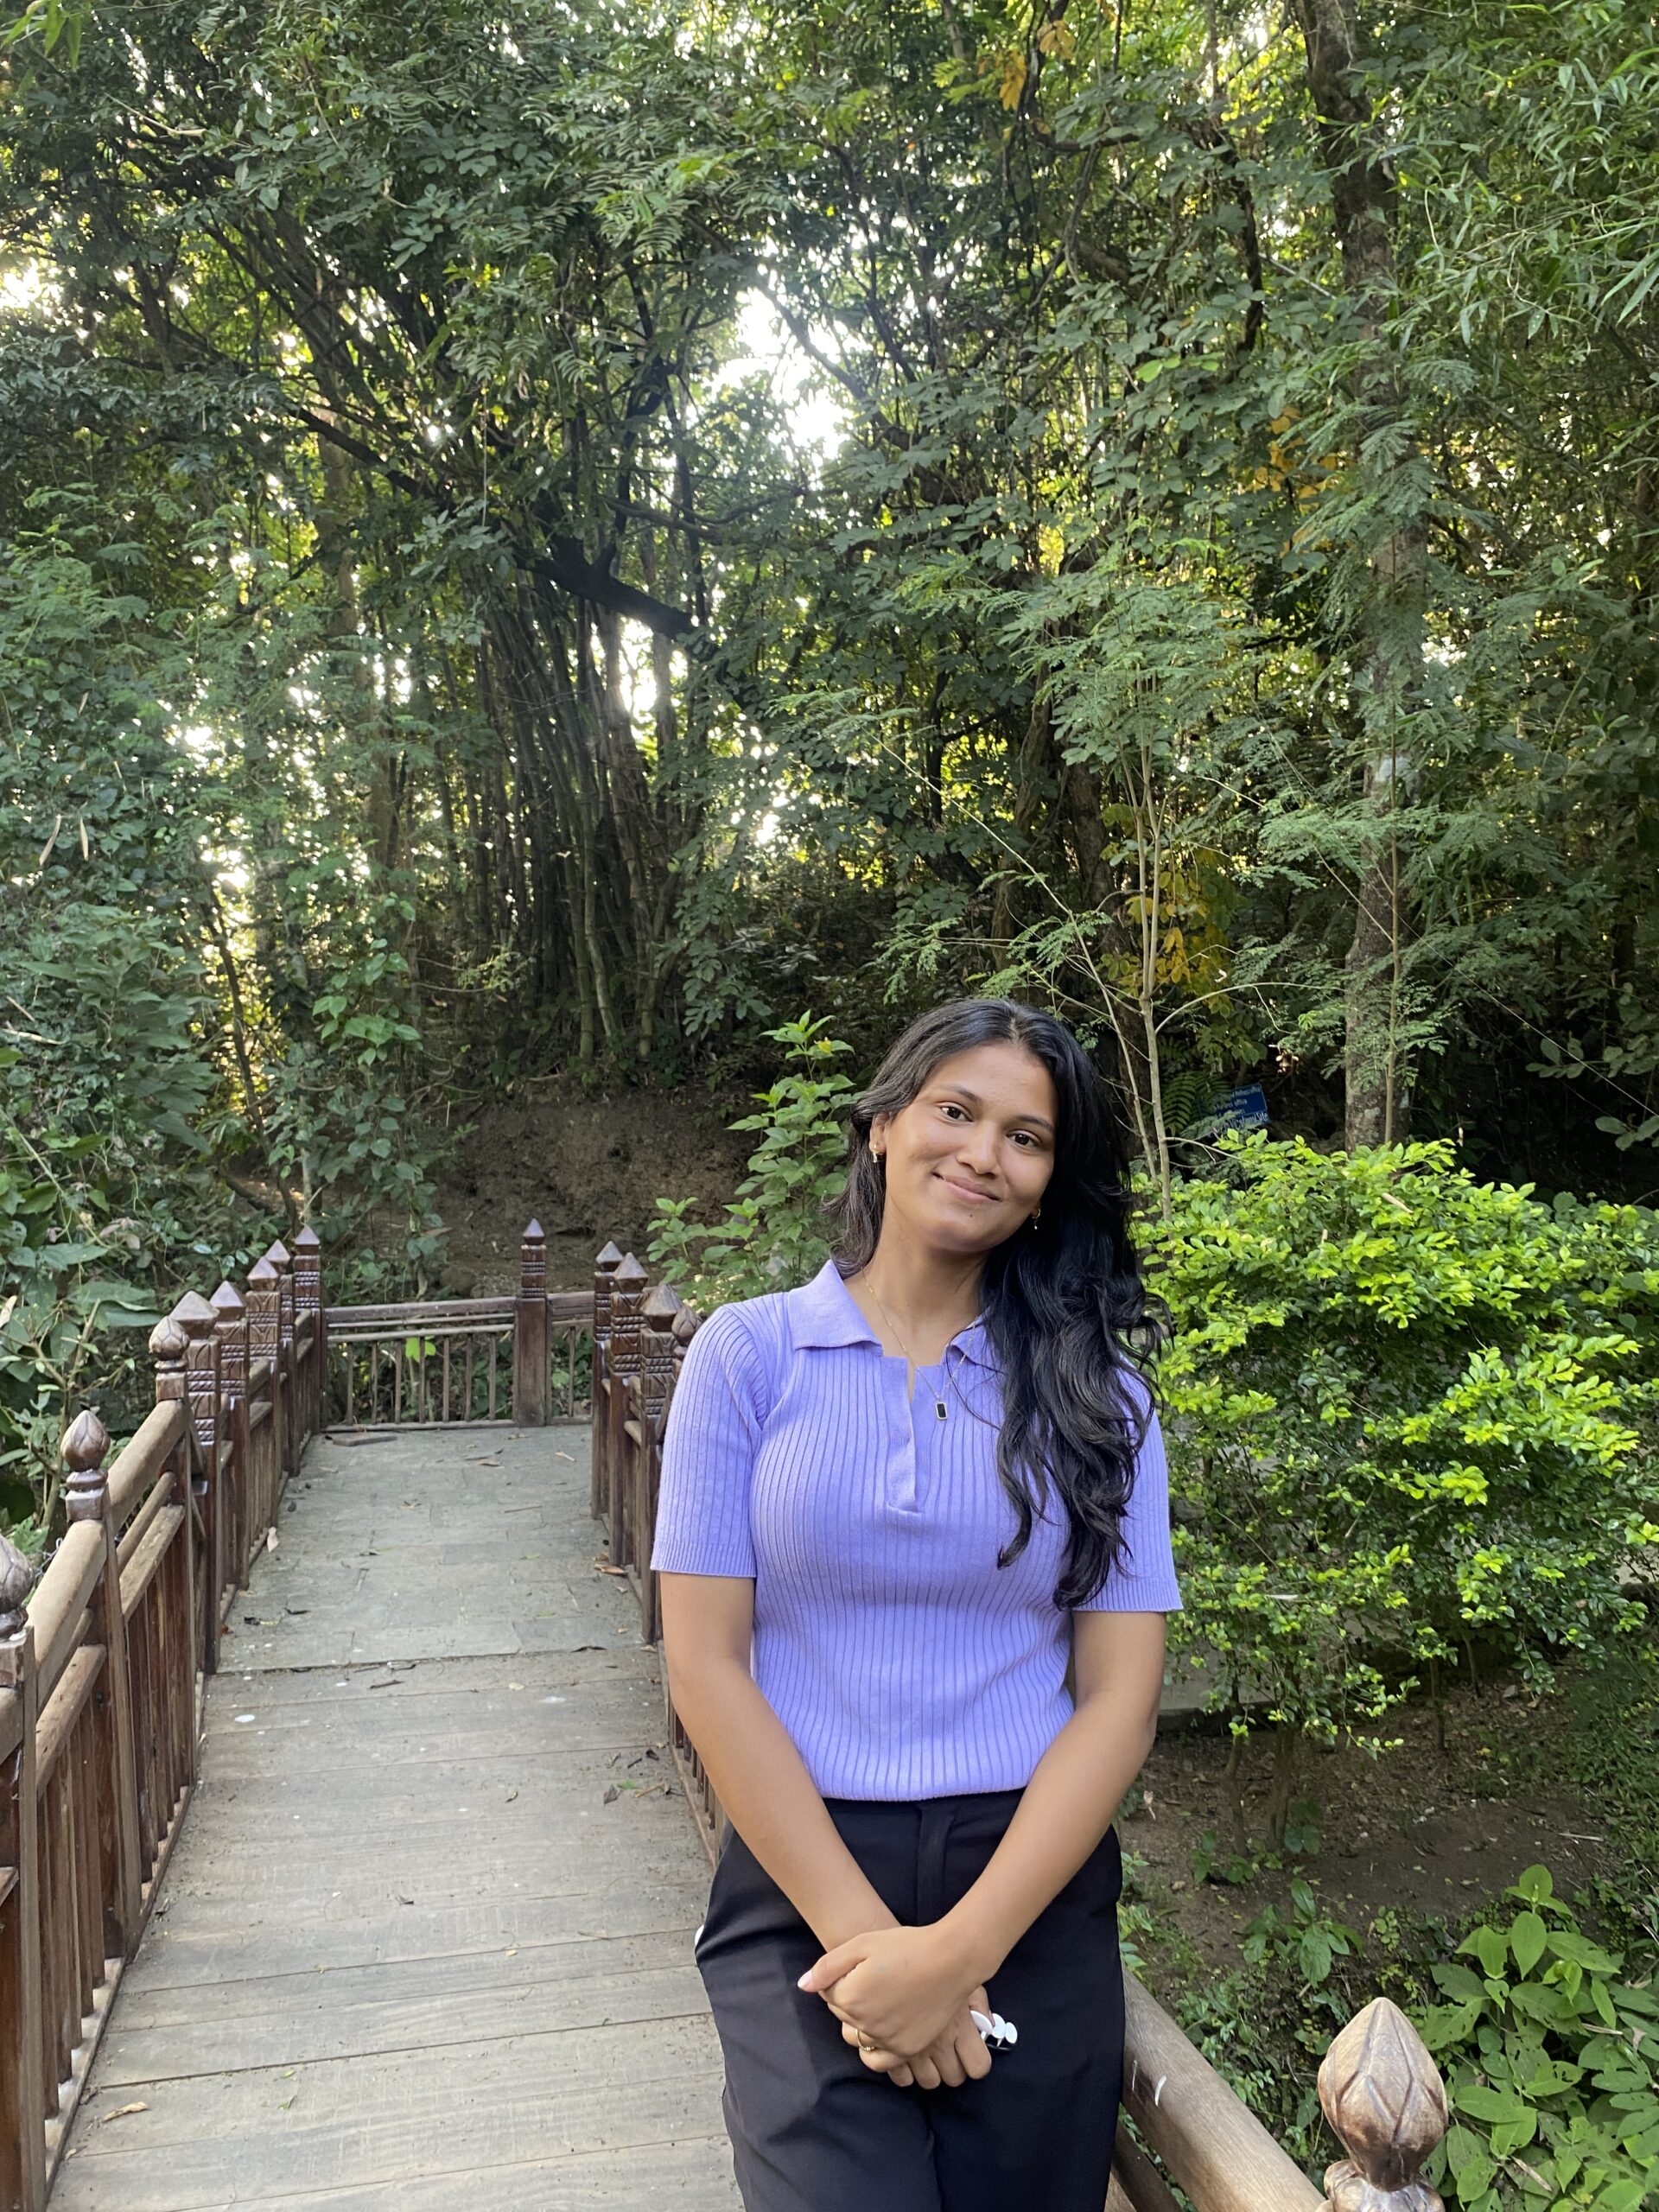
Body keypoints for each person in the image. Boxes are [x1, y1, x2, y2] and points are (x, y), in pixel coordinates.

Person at [651, 997, 1181, 2212]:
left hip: (1027, 1889)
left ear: (1049, 1184)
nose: (983, 1152)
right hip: (802, 1881)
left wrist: (961, 1955)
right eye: (956, 1111)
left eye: (1027, 1137)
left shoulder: (1102, 1398)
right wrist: (869, 1957)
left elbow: (1119, 1698)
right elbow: (707, 1667)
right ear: (884, 1127)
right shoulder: (748, 1360)